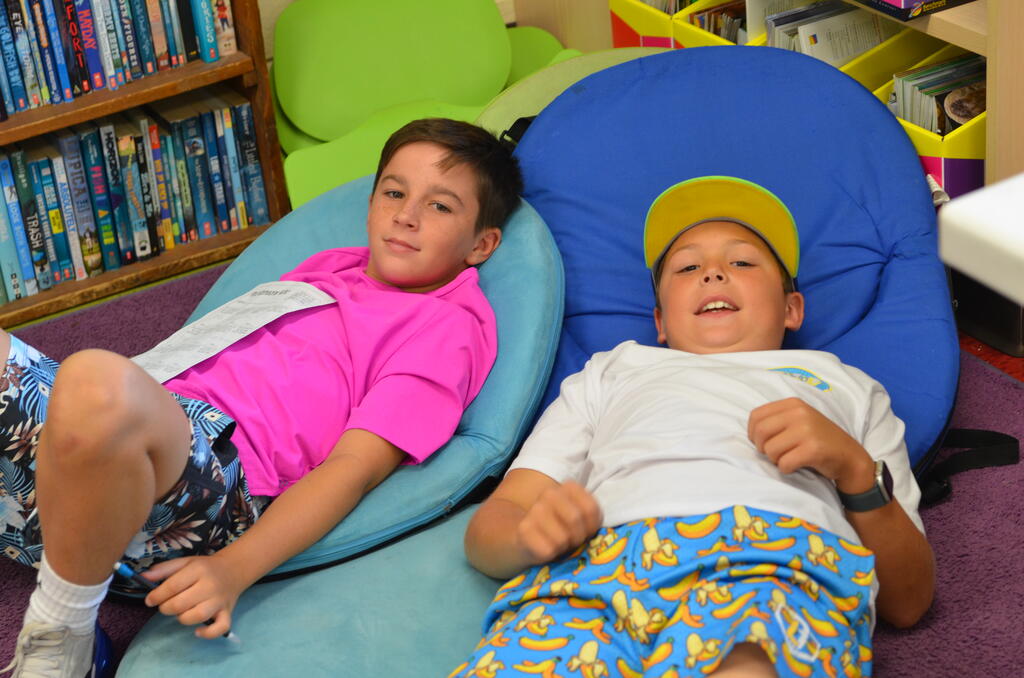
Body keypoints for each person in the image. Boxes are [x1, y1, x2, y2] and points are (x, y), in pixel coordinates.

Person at [0, 118, 522, 678]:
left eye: (440, 206)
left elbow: (354, 468)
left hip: (219, 486)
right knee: (82, 382)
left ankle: (63, 636)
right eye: (394, 193)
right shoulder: (334, 267)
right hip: (119, 444)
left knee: (94, 377)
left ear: (482, 244)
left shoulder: (444, 327)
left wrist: (234, 569)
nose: (406, 215)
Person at [454, 176, 933, 678]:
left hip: (770, 562)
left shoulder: (846, 385)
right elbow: (492, 527)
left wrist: (854, 470)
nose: (713, 273)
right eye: (687, 267)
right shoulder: (614, 370)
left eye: (742, 262)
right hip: (599, 565)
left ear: (792, 308)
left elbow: (909, 600)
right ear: (660, 322)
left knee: (750, 664)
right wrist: (527, 539)